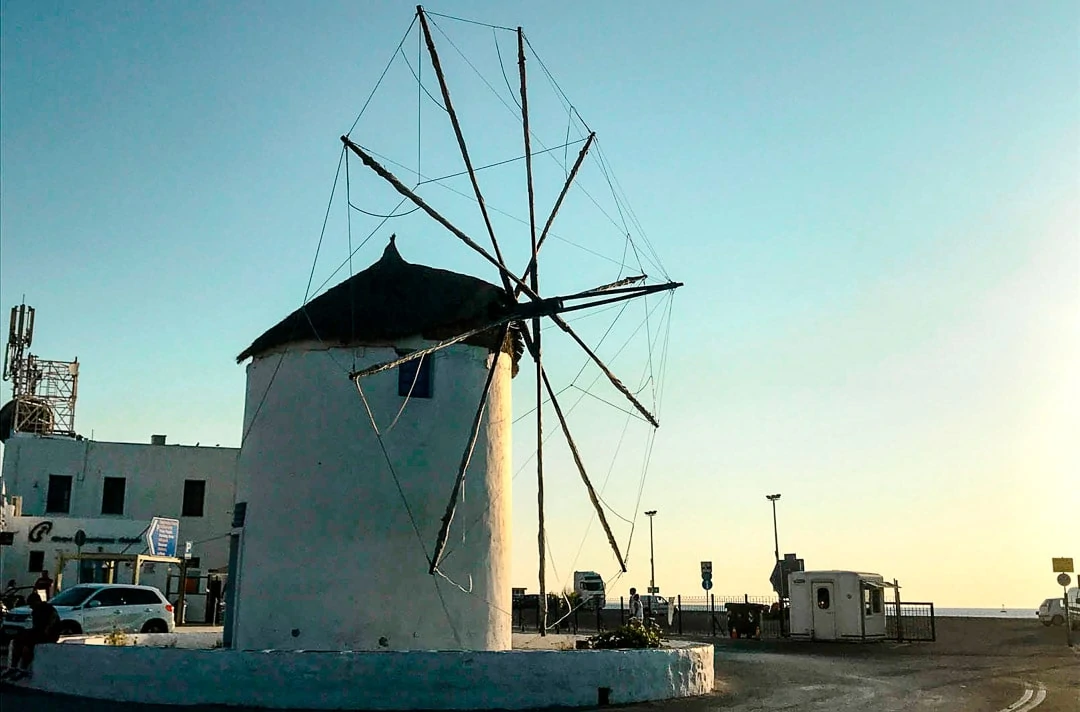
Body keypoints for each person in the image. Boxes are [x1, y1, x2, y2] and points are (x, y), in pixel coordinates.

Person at [3, 591, 61, 680]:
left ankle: (23, 668)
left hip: (49, 635)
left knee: (28, 645)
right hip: (40, 632)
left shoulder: (48, 608)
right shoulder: (36, 611)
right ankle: (13, 667)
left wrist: (47, 630)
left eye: (31, 604)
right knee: (18, 639)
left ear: (37, 602)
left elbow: (53, 619)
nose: (30, 607)